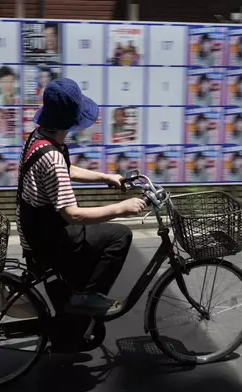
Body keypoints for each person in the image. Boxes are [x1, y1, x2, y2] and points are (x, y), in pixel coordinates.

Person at [17, 78, 146, 317]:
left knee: (95, 236)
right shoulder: (52, 157)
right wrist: (123, 208)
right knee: (119, 235)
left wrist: (106, 177)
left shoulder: (38, 138)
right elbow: (73, 214)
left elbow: (67, 169)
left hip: (34, 229)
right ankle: (86, 296)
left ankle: (75, 295)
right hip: (46, 239)